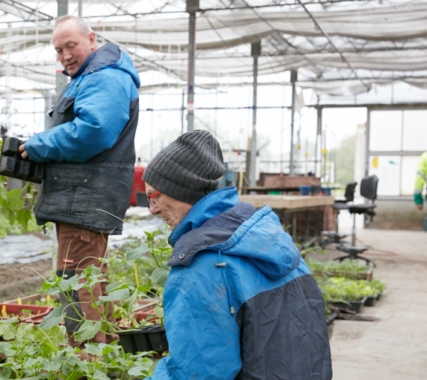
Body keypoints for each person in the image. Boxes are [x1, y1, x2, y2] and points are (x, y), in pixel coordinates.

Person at [142, 130, 332, 380]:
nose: (152, 209)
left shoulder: (201, 266)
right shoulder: (274, 240)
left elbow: (199, 374)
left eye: (153, 196)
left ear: (181, 192)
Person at [18, 15, 140, 345]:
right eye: (58, 50)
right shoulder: (92, 77)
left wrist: (38, 145)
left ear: (92, 39)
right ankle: (107, 355)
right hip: (84, 197)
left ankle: (86, 361)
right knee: (91, 280)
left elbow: (94, 132)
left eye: (71, 46)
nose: (65, 55)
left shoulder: (105, 78)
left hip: (84, 199)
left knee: (74, 283)